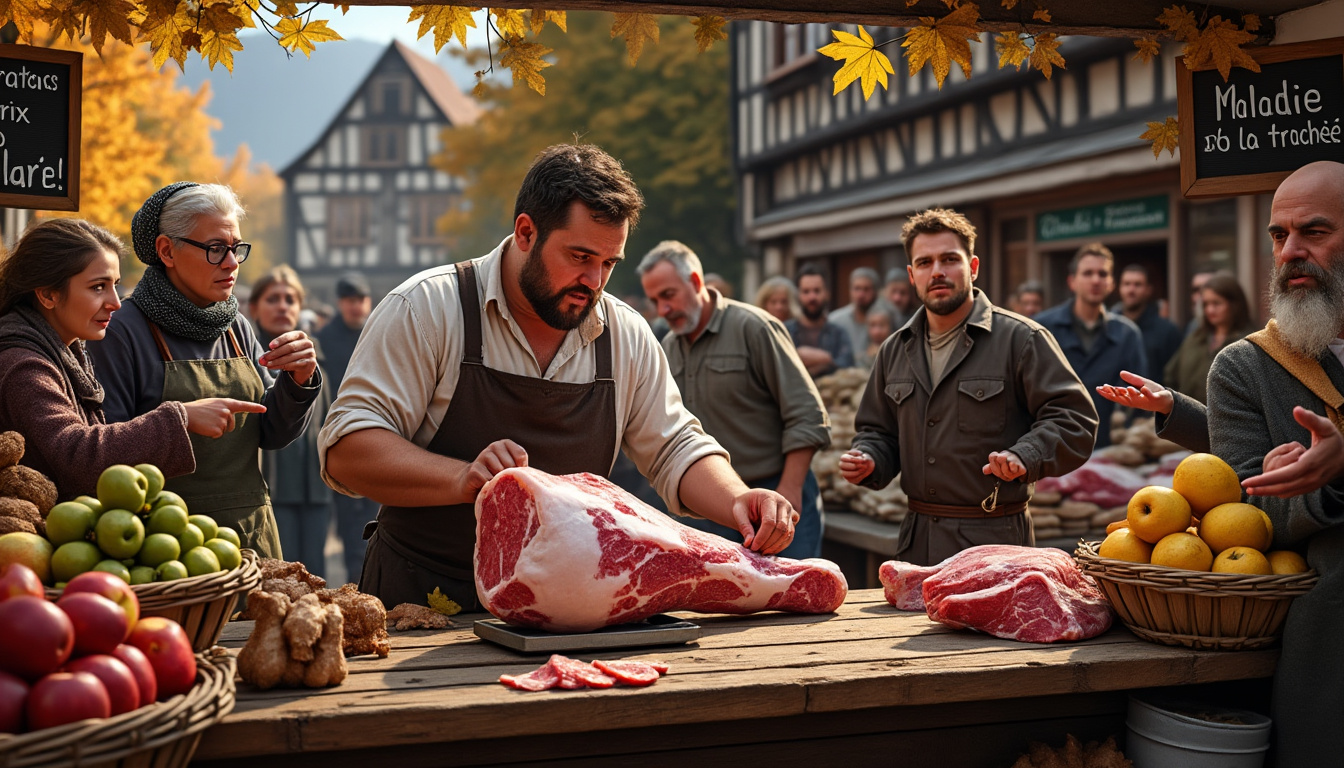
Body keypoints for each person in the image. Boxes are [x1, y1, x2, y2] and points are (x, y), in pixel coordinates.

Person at [319, 144, 799, 610]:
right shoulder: (427, 308)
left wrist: (738, 498)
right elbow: (347, 451)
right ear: (526, 232)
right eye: (580, 257)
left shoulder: (624, 334)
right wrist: (462, 477)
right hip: (422, 600)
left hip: (567, 607)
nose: (594, 281)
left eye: (609, 263)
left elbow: (674, 446)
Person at [1095, 161, 1344, 768]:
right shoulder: (1244, 367)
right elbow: (1248, 512)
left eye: (1313, 232)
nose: (1291, 252)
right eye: (1278, 236)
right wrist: (1328, 484)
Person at [839, 208, 1097, 566]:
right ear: (913, 276)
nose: (938, 271)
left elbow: (1075, 420)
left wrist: (1026, 454)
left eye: (949, 259)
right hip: (918, 543)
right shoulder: (895, 350)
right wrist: (869, 458)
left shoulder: (1021, 340)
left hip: (995, 544)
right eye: (925, 263)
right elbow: (878, 431)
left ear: (973, 267)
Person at [88, 182, 322, 559]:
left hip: (251, 539)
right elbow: (102, 452)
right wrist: (179, 420)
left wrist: (297, 381)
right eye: (215, 249)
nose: (232, 263)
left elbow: (272, 433)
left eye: (236, 249)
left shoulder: (235, 326)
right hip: (165, 545)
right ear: (167, 251)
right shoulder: (121, 332)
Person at [0, 219, 261, 500]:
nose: (114, 301)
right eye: (98, 287)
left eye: (115, 285)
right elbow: (76, 454)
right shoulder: (23, 364)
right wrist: (180, 418)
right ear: (48, 294)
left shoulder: (62, 351)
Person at [639, 240, 831, 558]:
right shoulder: (668, 348)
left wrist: (790, 490)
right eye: (655, 300)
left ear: (696, 282)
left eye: (668, 295)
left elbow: (807, 415)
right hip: (713, 506)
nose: (663, 310)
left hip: (776, 499)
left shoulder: (754, 327)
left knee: (794, 601)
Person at [250, 266, 333, 579]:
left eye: (290, 299)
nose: (282, 306)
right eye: (273, 299)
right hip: (271, 488)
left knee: (314, 575)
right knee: (278, 578)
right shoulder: (246, 355)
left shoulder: (317, 358)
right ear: (255, 307)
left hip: (314, 487)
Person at [1033, 243, 1147, 448]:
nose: (1096, 280)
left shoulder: (1127, 334)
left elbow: (1140, 402)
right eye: (1087, 273)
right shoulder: (1042, 329)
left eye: (1103, 274)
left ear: (1111, 282)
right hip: (1052, 448)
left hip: (1109, 451)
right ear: (1072, 281)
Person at [314, 271, 377, 582]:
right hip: (338, 439)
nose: (357, 306)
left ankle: (370, 583)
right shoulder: (323, 341)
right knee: (347, 523)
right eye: (351, 300)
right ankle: (355, 583)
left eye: (362, 300)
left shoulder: (377, 333)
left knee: (374, 519)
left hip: (377, 435)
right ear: (340, 303)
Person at [1163, 273, 1256, 404]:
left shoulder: (1250, 343)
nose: (1210, 310)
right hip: (1185, 417)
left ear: (1234, 305)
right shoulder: (1195, 338)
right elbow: (1171, 376)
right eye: (1206, 304)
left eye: (1217, 303)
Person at [1113, 264, 1184, 386]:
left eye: (1137, 284)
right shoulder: (1109, 327)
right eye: (1126, 284)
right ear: (1119, 288)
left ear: (1148, 289)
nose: (1131, 290)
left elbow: (1175, 378)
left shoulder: (1167, 332)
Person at [786, 265, 854, 378]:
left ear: (827, 294)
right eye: (806, 291)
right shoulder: (785, 332)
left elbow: (848, 367)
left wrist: (825, 359)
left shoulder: (839, 333)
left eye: (817, 291)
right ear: (798, 295)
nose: (812, 297)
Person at [829, 267, 892, 359]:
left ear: (875, 291)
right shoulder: (835, 320)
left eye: (866, 289)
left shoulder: (888, 318)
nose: (861, 295)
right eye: (857, 288)